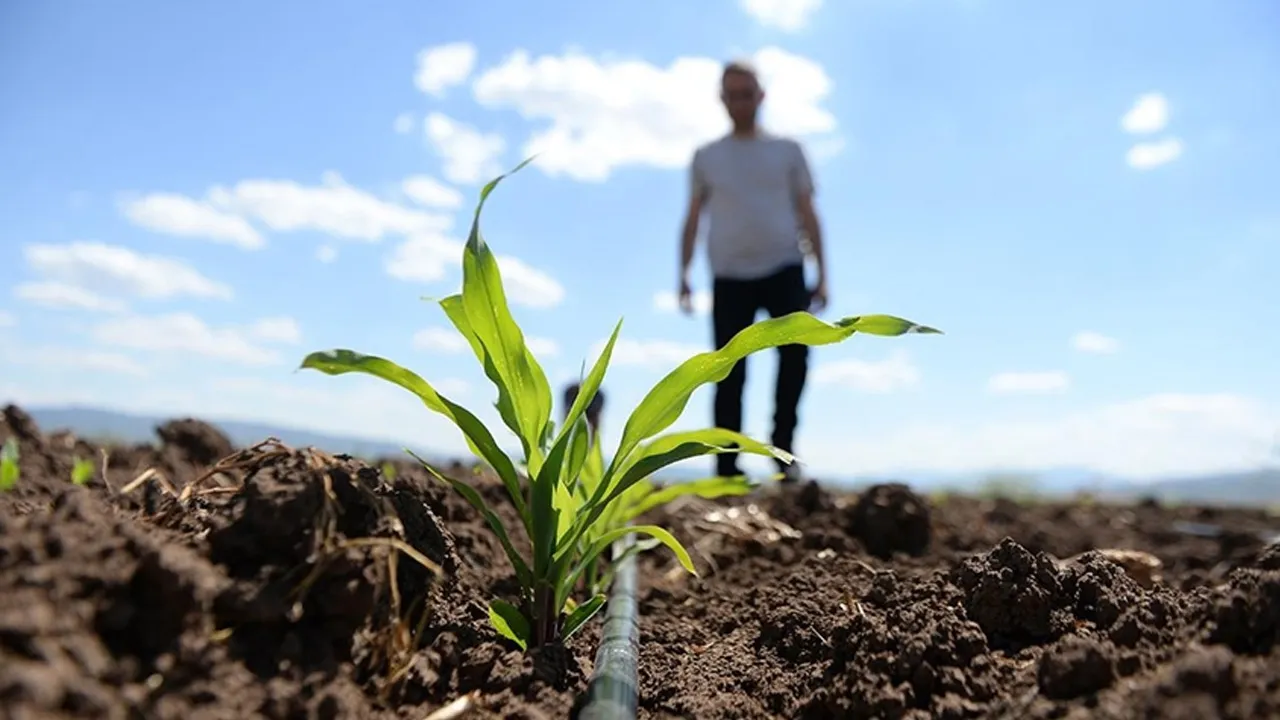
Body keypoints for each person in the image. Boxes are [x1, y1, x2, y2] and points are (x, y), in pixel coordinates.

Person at [676, 59, 828, 483]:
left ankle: (783, 454)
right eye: (732, 94)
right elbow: (692, 217)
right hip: (729, 276)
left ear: (761, 96)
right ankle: (727, 466)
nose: (740, 102)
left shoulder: (787, 151)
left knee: (794, 360)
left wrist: (824, 273)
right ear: (722, 100)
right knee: (727, 370)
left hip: (785, 267)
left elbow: (808, 211)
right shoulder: (707, 157)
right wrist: (684, 274)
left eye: (748, 93)